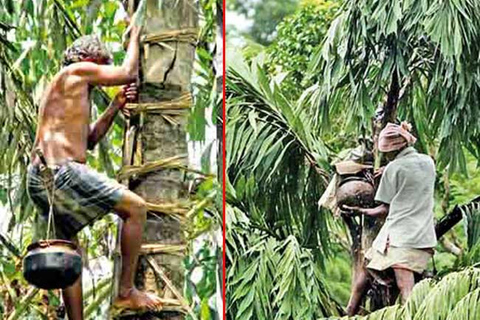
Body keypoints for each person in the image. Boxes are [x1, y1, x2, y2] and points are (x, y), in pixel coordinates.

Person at [26, 23, 163, 320]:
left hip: (41, 178)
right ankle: (126, 292)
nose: (104, 73)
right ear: (89, 58)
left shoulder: (67, 89)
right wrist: (138, 31)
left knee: (68, 252)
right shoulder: (76, 72)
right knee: (136, 208)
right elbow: (128, 72)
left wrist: (114, 106)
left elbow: (87, 140)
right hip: (60, 172)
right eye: (103, 65)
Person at [342, 122, 437, 315]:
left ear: (393, 150)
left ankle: (410, 316)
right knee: (366, 271)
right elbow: (411, 175)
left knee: (405, 288)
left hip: (399, 237)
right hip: (423, 235)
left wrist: (362, 211)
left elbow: (384, 209)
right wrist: (388, 169)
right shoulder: (428, 162)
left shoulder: (394, 169)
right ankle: (349, 312)